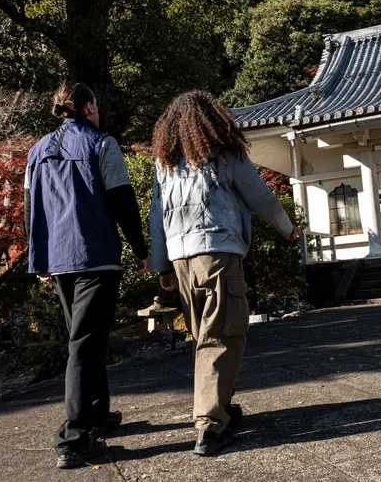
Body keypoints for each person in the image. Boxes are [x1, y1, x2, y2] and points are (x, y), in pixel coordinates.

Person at [149, 90, 300, 457]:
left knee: (205, 337)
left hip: (181, 259)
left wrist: (161, 265)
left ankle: (223, 409)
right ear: (213, 121)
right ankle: (210, 426)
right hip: (217, 253)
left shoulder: (164, 162)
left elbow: (156, 214)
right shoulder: (224, 154)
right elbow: (261, 196)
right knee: (224, 336)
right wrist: (288, 229)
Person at [25, 83, 150, 469]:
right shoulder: (101, 143)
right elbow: (122, 199)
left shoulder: (36, 151)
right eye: (96, 104)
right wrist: (141, 249)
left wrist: (39, 259)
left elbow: (30, 206)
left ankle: (97, 414)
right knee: (84, 342)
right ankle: (74, 437)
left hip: (58, 257)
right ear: (89, 106)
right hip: (94, 255)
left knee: (86, 338)